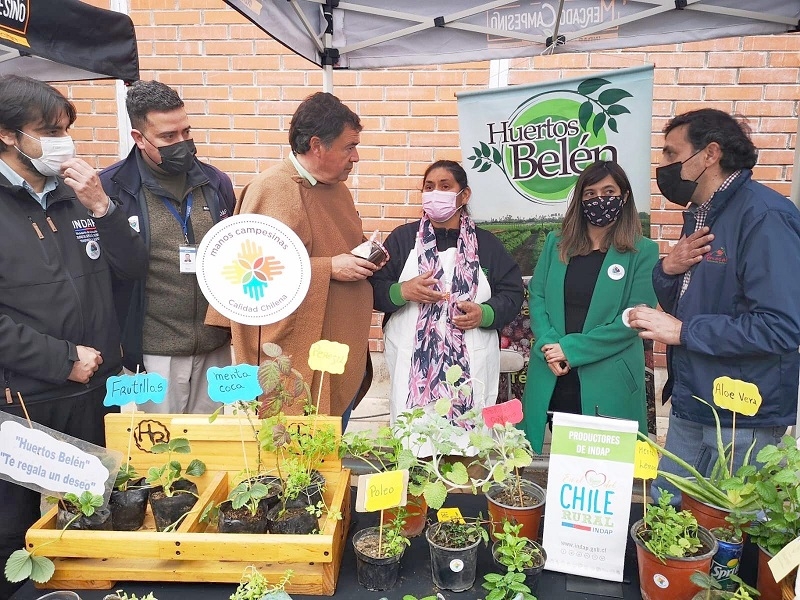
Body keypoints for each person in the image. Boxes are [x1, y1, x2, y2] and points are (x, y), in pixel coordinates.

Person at [0, 75, 147, 600]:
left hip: (97, 385)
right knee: (17, 531)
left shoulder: (74, 194)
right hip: (26, 396)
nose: (62, 141)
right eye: (47, 131)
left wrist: (103, 208)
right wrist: (60, 359)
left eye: (65, 129)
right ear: (8, 135)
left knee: (99, 506)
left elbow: (131, 268)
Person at [627, 109, 800, 503]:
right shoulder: (703, 216)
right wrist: (667, 270)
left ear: (710, 154)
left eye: (672, 154)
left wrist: (683, 332)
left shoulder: (764, 217)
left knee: (731, 530)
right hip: (695, 397)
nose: (664, 166)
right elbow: (691, 299)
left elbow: (782, 326)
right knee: (668, 513)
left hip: (744, 416)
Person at [206, 92, 380, 426]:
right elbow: (249, 276)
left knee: (329, 451)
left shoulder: (338, 189)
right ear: (317, 145)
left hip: (338, 344)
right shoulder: (270, 189)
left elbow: (339, 241)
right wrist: (329, 267)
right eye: (349, 146)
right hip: (292, 349)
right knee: (293, 458)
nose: (355, 157)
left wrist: (362, 255)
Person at [100, 80, 236, 414]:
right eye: (168, 137)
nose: (182, 144)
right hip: (152, 354)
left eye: (186, 132)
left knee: (214, 451)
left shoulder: (216, 182)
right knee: (161, 455)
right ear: (139, 138)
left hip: (215, 347)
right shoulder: (111, 189)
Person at [371, 160, 524, 427]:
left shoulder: (487, 244)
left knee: (470, 443)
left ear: (464, 195)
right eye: (429, 187)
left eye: (445, 186)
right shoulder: (402, 239)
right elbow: (374, 290)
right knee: (415, 438)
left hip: (472, 360)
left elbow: (511, 294)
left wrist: (484, 313)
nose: (435, 193)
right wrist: (403, 291)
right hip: (412, 364)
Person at [520, 160, 659, 453]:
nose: (599, 200)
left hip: (607, 375)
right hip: (555, 369)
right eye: (591, 194)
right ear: (580, 200)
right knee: (562, 458)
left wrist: (572, 350)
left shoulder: (643, 251)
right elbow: (539, 296)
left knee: (605, 465)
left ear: (624, 197)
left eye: (608, 191)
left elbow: (635, 317)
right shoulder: (556, 243)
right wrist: (550, 345)